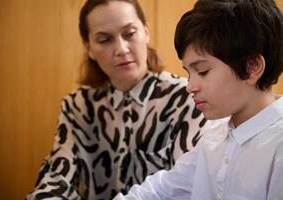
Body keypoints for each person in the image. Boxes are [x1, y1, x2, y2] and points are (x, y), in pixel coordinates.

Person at [26, 0, 208, 199]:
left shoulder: (187, 97)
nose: (121, 49)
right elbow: (56, 179)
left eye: (129, 34)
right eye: (104, 40)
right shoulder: (78, 107)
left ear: (146, 32)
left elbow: (188, 186)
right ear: (88, 48)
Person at [114, 0, 283, 199]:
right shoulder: (215, 137)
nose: (189, 86)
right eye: (189, 72)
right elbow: (162, 189)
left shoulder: (277, 146)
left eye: (202, 71)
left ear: (252, 67)